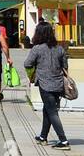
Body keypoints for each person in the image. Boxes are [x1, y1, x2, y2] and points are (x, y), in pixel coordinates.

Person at [25, 21, 71, 149]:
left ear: (38, 34)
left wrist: (37, 68)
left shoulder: (37, 48)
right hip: (58, 83)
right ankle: (43, 136)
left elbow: (27, 63)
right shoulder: (60, 48)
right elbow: (65, 66)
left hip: (45, 84)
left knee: (52, 112)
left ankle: (63, 141)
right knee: (48, 109)